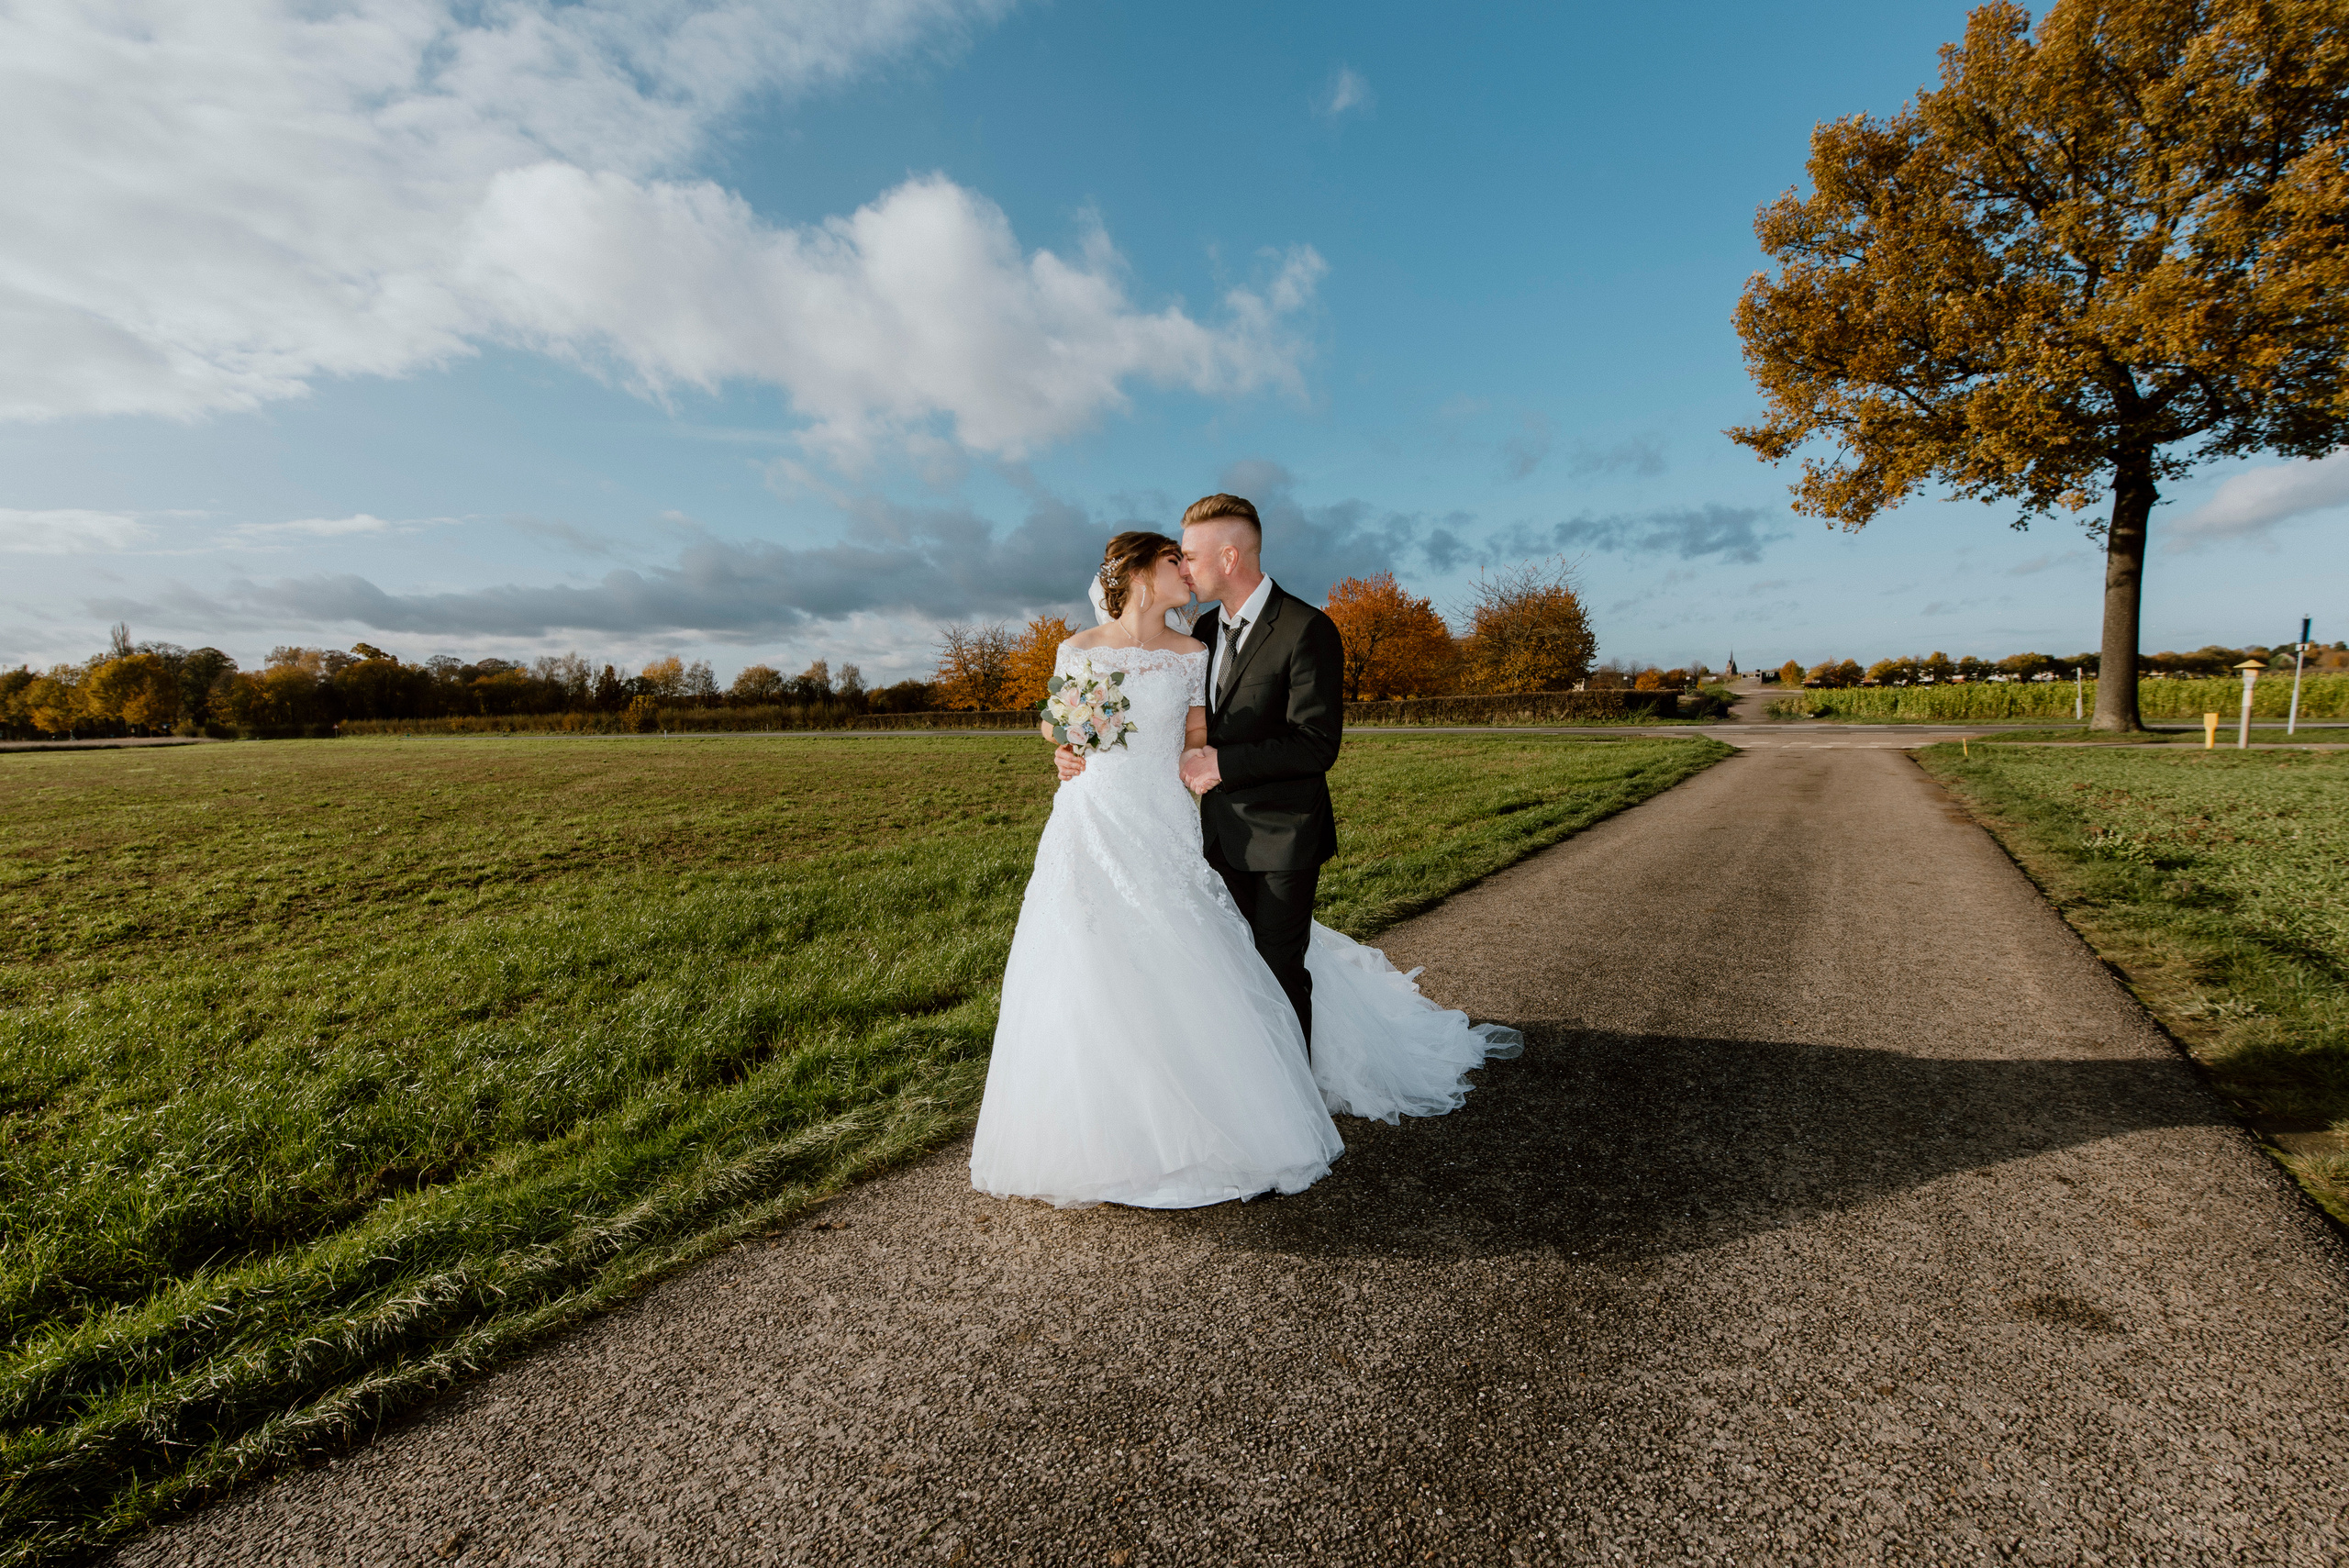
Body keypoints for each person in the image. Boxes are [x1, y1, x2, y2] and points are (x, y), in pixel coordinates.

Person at [967, 503, 1520, 1210]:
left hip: (1238, 824)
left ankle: (1285, 1100)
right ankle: (1126, 1121)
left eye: (1189, 556)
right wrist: (1067, 745)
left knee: (1261, 965)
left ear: (1227, 556)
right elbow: (1067, 715)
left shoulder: (1280, 633)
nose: (1185, 569)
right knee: (1133, 965)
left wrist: (1214, 763)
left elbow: (1281, 741)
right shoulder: (1167, 634)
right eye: (1174, 560)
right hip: (1137, 821)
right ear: (1139, 574)